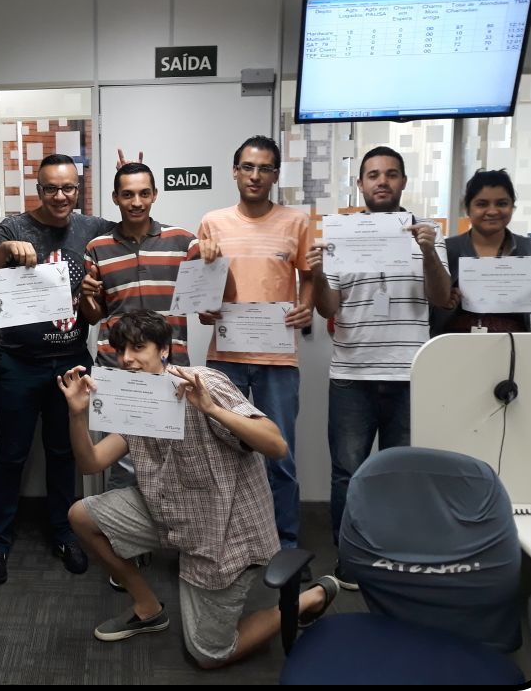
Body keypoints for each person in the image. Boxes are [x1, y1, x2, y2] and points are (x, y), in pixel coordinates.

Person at [57, 310, 338, 667]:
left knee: (209, 653)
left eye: (138, 348)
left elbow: (276, 445)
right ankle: (147, 607)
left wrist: (211, 409)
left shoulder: (204, 382)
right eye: (121, 350)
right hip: (170, 512)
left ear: (163, 350)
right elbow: (91, 463)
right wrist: (77, 415)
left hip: (224, 533)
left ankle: (310, 597)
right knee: (81, 516)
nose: (127, 359)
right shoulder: (134, 398)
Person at [307, 145, 451, 588]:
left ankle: (392, 558)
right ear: (361, 183)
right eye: (373, 175)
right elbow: (328, 307)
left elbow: (442, 298)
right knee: (347, 474)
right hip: (352, 375)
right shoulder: (342, 234)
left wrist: (428, 253)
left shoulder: (428, 234)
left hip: (410, 375)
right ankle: (349, 559)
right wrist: (317, 273)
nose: (382, 182)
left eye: (390, 174)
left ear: (403, 181)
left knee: (399, 475)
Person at [0, 153, 115, 585]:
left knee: (63, 452)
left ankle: (64, 532)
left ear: (79, 189)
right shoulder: (15, 227)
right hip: (18, 362)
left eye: (68, 187)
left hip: (71, 361)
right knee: (10, 454)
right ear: (39, 190)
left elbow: (133, 232)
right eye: (51, 188)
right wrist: (3, 252)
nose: (60, 196)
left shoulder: (92, 228)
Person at [196, 135, 314, 559]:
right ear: (235, 171)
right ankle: (226, 543)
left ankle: (285, 547)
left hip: (277, 359)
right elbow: (203, 291)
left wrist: (306, 307)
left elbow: (309, 276)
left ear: (275, 175)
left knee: (279, 455)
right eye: (247, 167)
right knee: (222, 454)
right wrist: (205, 308)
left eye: (265, 168)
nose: (255, 175)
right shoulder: (213, 222)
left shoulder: (296, 222)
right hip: (224, 356)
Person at [80, 159, 197, 511]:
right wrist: (86, 297)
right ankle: (121, 535)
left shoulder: (184, 241)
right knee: (125, 463)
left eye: (144, 193)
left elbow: (208, 302)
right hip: (118, 368)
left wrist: (215, 257)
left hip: (170, 367)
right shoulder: (97, 247)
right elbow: (94, 315)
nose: (136, 202)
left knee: (175, 461)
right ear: (115, 198)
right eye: (128, 194)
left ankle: (174, 534)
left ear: (155, 195)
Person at [431, 168, 531, 335]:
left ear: (512, 206)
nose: (492, 211)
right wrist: (445, 303)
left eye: (502, 203)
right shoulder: (444, 250)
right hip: (452, 345)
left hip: (513, 346)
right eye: (482, 204)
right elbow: (427, 314)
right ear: (467, 208)